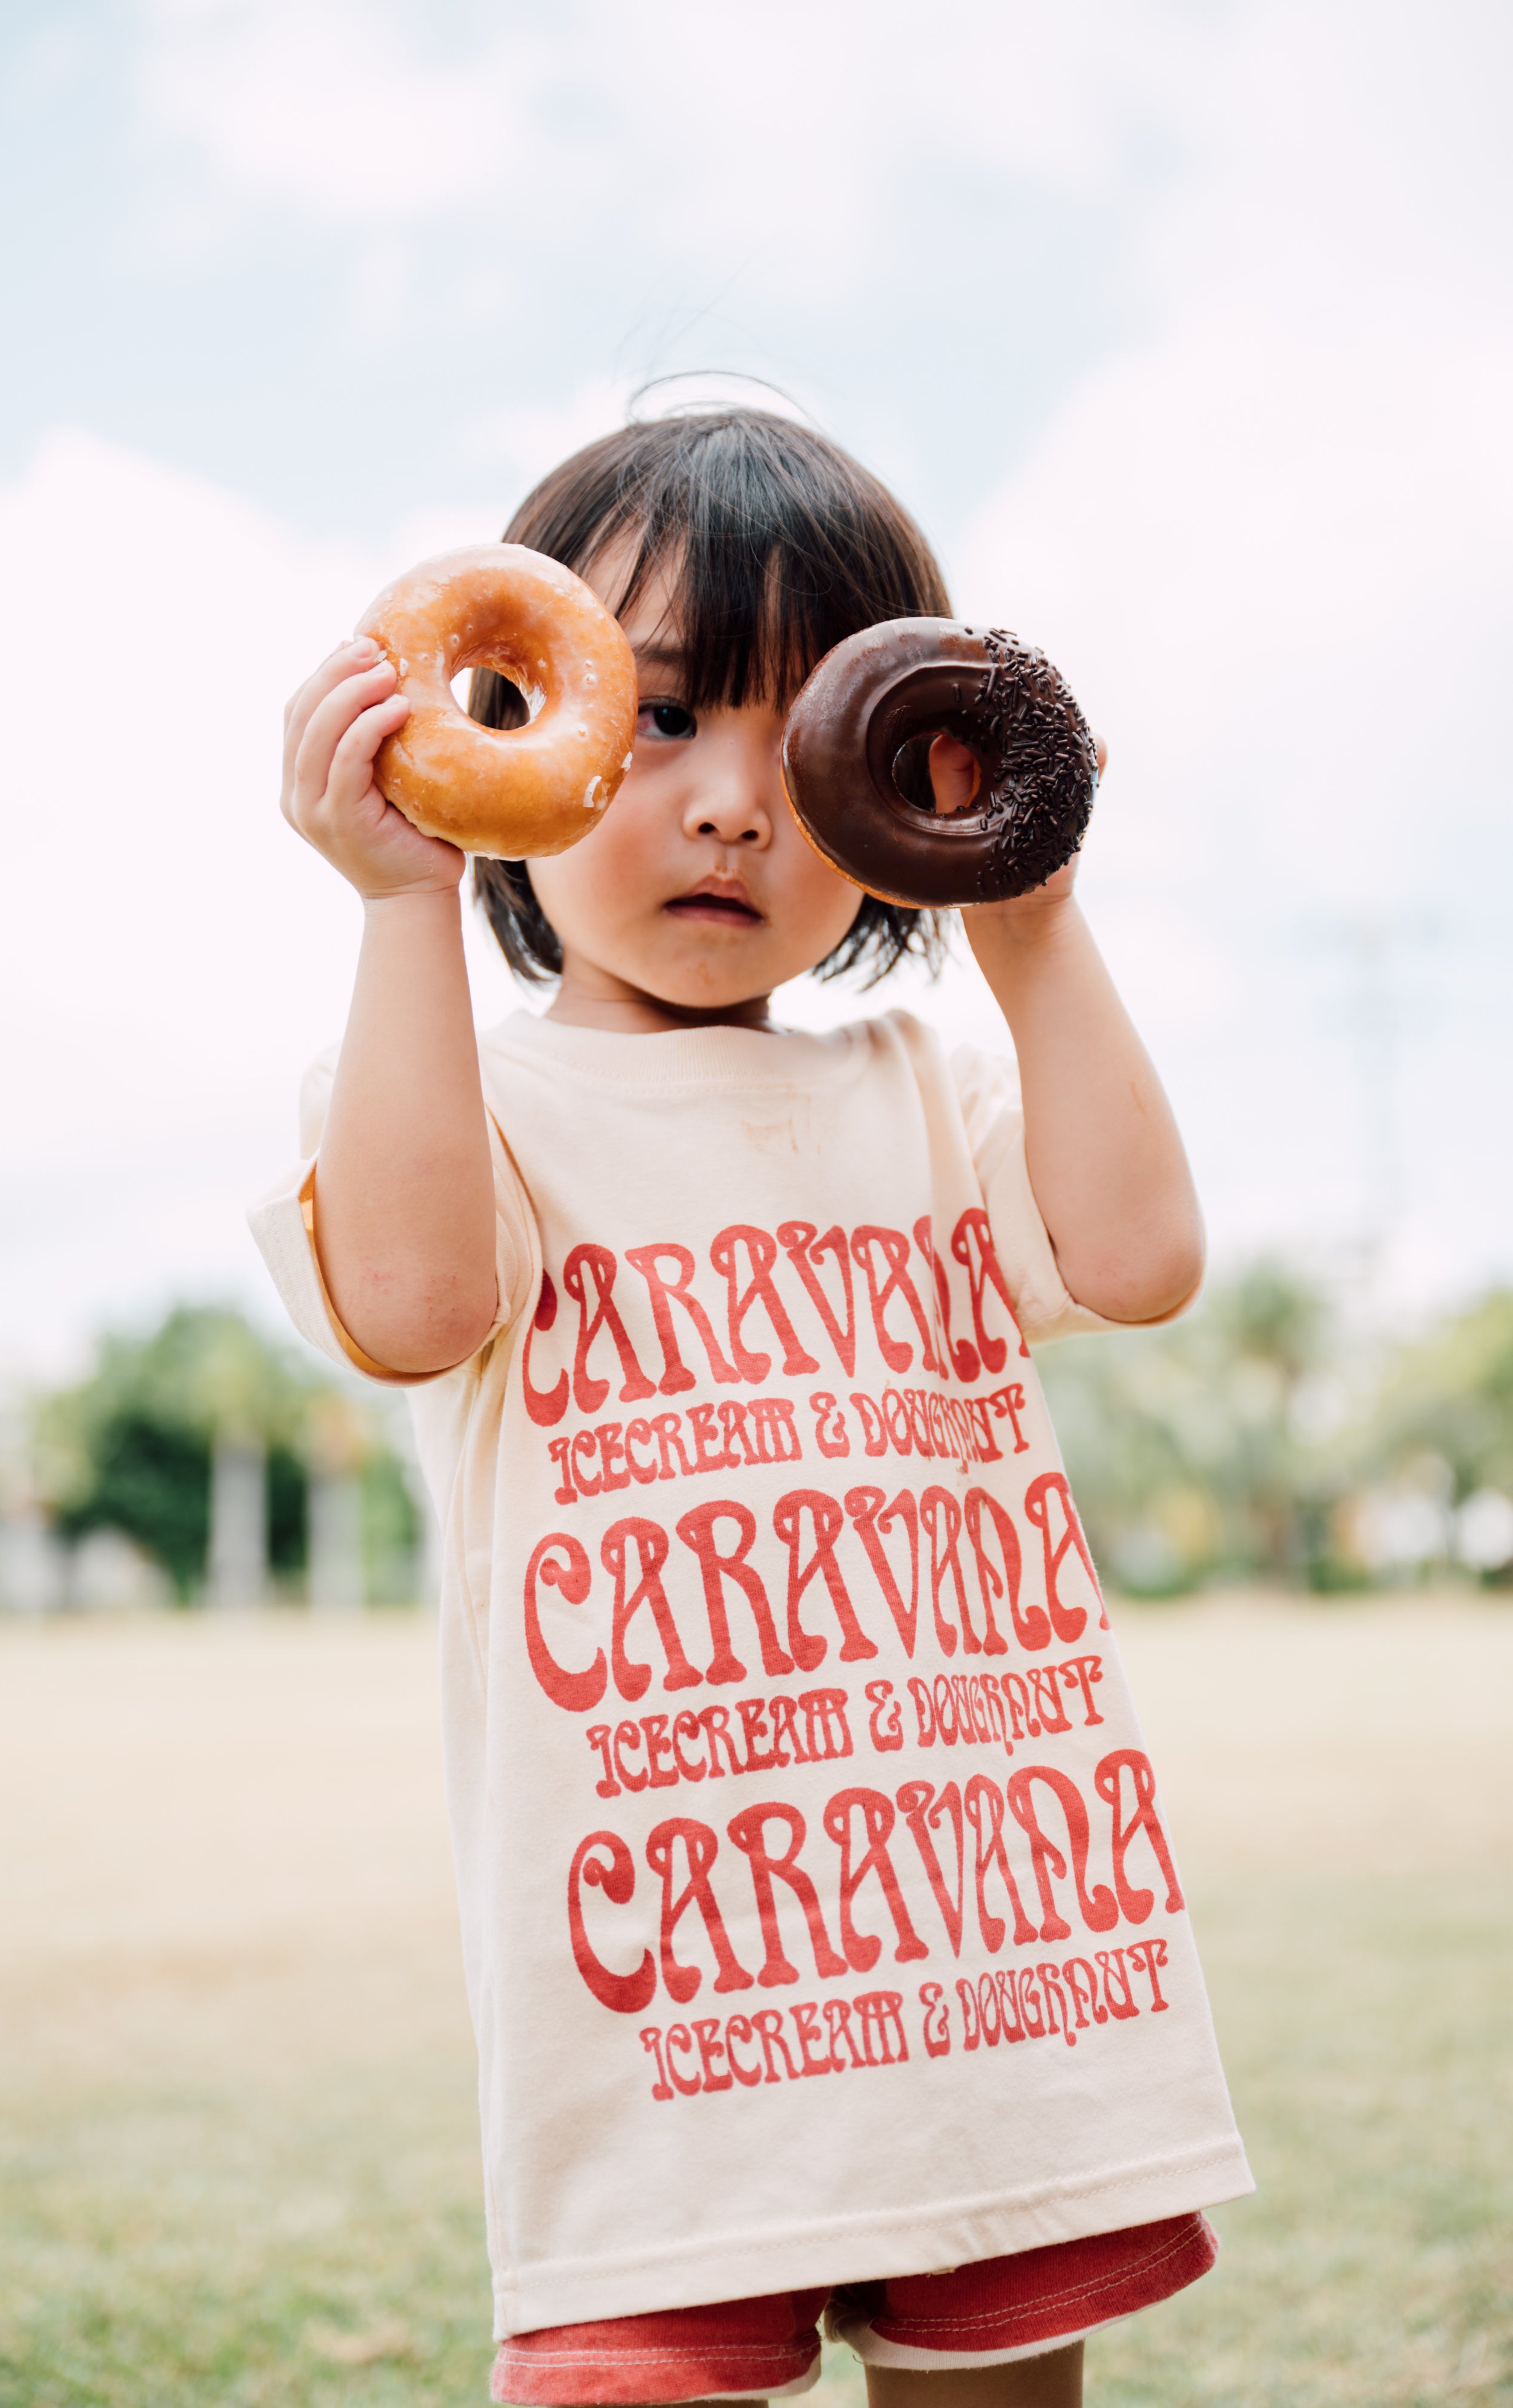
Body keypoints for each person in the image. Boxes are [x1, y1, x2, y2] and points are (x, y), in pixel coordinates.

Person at [252, 407, 1250, 2408]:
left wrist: (1028, 908)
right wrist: (396, 909)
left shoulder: (922, 1092)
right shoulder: (473, 1099)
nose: (729, 807)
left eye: (798, 745)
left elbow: (1137, 1258)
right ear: (515, 720)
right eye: (669, 716)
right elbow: (419, 1295)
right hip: (663, 2028)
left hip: (978, 1973)